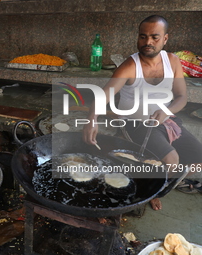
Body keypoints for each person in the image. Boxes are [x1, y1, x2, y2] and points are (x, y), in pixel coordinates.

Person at [83, 15, 202, 211]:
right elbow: (103, 95)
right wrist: (91, 119)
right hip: (135, 123)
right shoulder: (130, 66)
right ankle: (149, 191)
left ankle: (157, 186)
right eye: (143, 36)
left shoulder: (172, 61)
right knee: (172, 160)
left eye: (155, 37)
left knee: (198, 161)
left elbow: (182, 97)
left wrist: (166, 111)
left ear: (165, 39)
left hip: (166, 121)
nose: (148, 42)